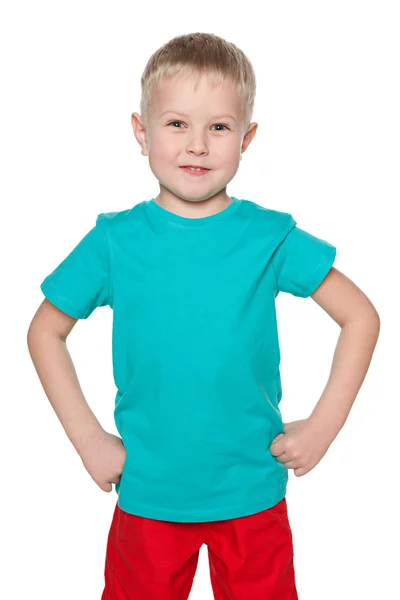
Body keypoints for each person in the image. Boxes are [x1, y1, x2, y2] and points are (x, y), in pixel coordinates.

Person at [27, 32, 380, 600]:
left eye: (218, 127)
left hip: (251, 492)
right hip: (149, 493)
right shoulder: (114, 242)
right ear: (141, 133)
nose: (197, 145)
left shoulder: (270, 236)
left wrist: (323, 427)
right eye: (175, 124)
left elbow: (360, 317)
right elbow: (45, 330)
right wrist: (89, 440)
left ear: (247, 138)